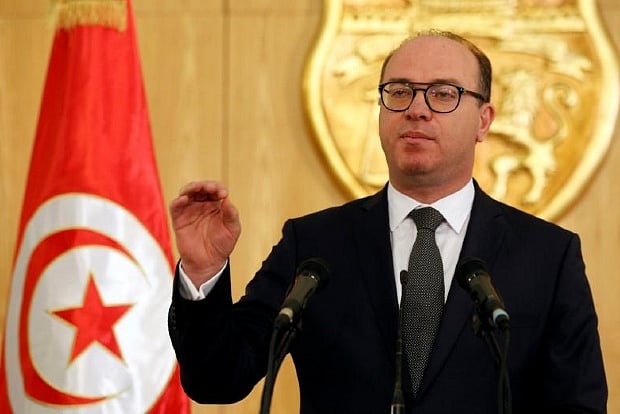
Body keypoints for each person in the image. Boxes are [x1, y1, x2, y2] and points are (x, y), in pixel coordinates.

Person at [167, 30, 607, 413]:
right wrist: (203, 273)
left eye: (443, 93)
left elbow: (578, 403)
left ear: (483, 120)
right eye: (399, 91)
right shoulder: (315, 245)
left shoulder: (548, 256)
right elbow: (217, 379)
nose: (416, 109)